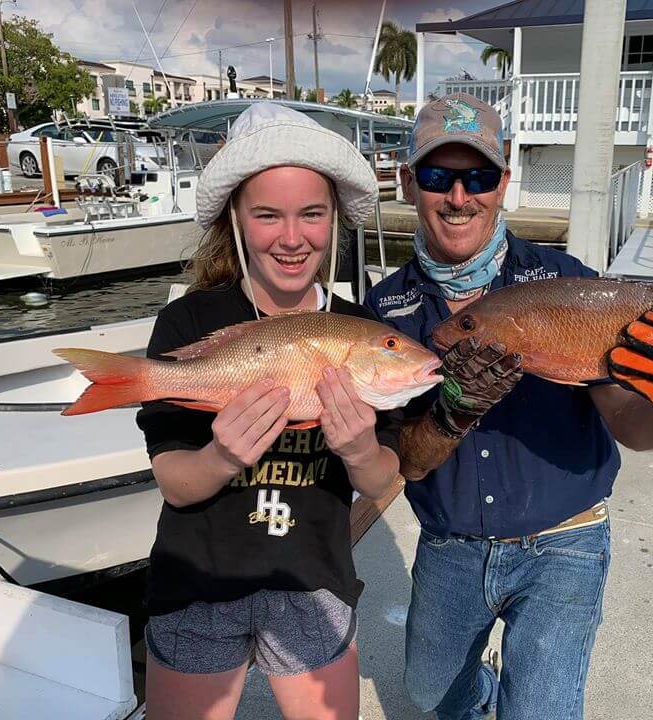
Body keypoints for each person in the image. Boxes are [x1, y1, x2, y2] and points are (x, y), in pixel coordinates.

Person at [365, 93, 653, 720]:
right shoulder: (387, 311)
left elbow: (630, 424)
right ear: (408, 183)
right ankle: (478, 686)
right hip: (450, 542)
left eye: (479, 176)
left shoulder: (564, 280)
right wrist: (452, 412)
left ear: (503, 183)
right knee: (432, 698)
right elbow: (411, 464)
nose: (460, 196)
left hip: (566, 541)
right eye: (438, 176)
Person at [137, 103, 400, 720]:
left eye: (312, 213)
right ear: (236, 220)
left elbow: (382, 478)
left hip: (312, 580)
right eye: (267, 215)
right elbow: (176, 485)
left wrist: (360, 448)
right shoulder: (189, 322)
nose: (291, 237)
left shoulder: (360, 330)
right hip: (198, 579)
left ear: (335, 219)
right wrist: (222, 455)